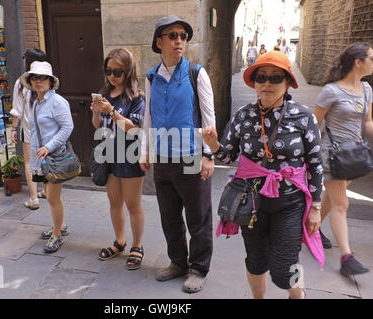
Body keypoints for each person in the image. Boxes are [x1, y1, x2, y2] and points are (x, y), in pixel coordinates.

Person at [201, 51, 324, 299]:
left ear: (288, 82)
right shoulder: (243, 116)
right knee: (255, 259)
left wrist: (316, 206)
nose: (267, 83)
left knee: (284, 267)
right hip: (251, 201)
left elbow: (315, 163)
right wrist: (213, 145)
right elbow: (226, 157)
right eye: (262, 77)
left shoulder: (303, 116)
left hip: (290, 202)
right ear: (254, 82)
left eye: (276, 78)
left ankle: (297, 295)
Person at [140, 15, 216, 293]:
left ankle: (198, 268)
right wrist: (145, 150)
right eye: (172, 35)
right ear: (159, 42)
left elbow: (209, 117)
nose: (179, 41)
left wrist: (208, 155)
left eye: (183, 36)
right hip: (162, 160)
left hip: (191, 159)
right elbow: (148, 115)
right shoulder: (152, 77)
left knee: (198, 218)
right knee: (170, 218)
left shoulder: (196, 73)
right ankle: (178, 262)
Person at [313, 42, 373, 278]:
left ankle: (310, 229)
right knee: (341, 204)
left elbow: (367, 121)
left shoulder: (367, 89)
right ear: (358, 62)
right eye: (371, 58)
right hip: (332, 154)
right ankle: (347, 258)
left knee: (331, 197)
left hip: (353, 155)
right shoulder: (331, 91)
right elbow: (313, 123)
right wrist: (307, 156)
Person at [91, 48, 147, 270]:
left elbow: (133, 129)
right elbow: (98, 126)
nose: (112, 76)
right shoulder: (105, 94)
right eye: (108, 71)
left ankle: (138, 245)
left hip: (130, 156)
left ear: (128, 71)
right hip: (109, 155)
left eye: (117, 72)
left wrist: (111, 111)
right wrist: (96, 112)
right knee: (114, 202)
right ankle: (120, 241)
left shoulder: (137, 97)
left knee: (133, 204)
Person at [19, 61, 74, 253]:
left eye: (43, 77)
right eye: (34, 77)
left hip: (54, 157)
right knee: (51, 196)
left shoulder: (57, 102)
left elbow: (68, 128)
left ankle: (57, 234)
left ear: (51, 81)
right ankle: (61, 226)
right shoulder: (36, 102)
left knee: (52, 198)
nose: (38, 81)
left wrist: (48, 147)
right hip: (41, 159)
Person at [10, 48, 48, 210]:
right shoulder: (47, 79)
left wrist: (13, 129)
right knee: (44, 159)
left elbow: (17, 110)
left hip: (29, 129)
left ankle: (33, 199)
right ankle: (46, 190)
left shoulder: (22, 82)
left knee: (29, 163)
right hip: (47, 129)